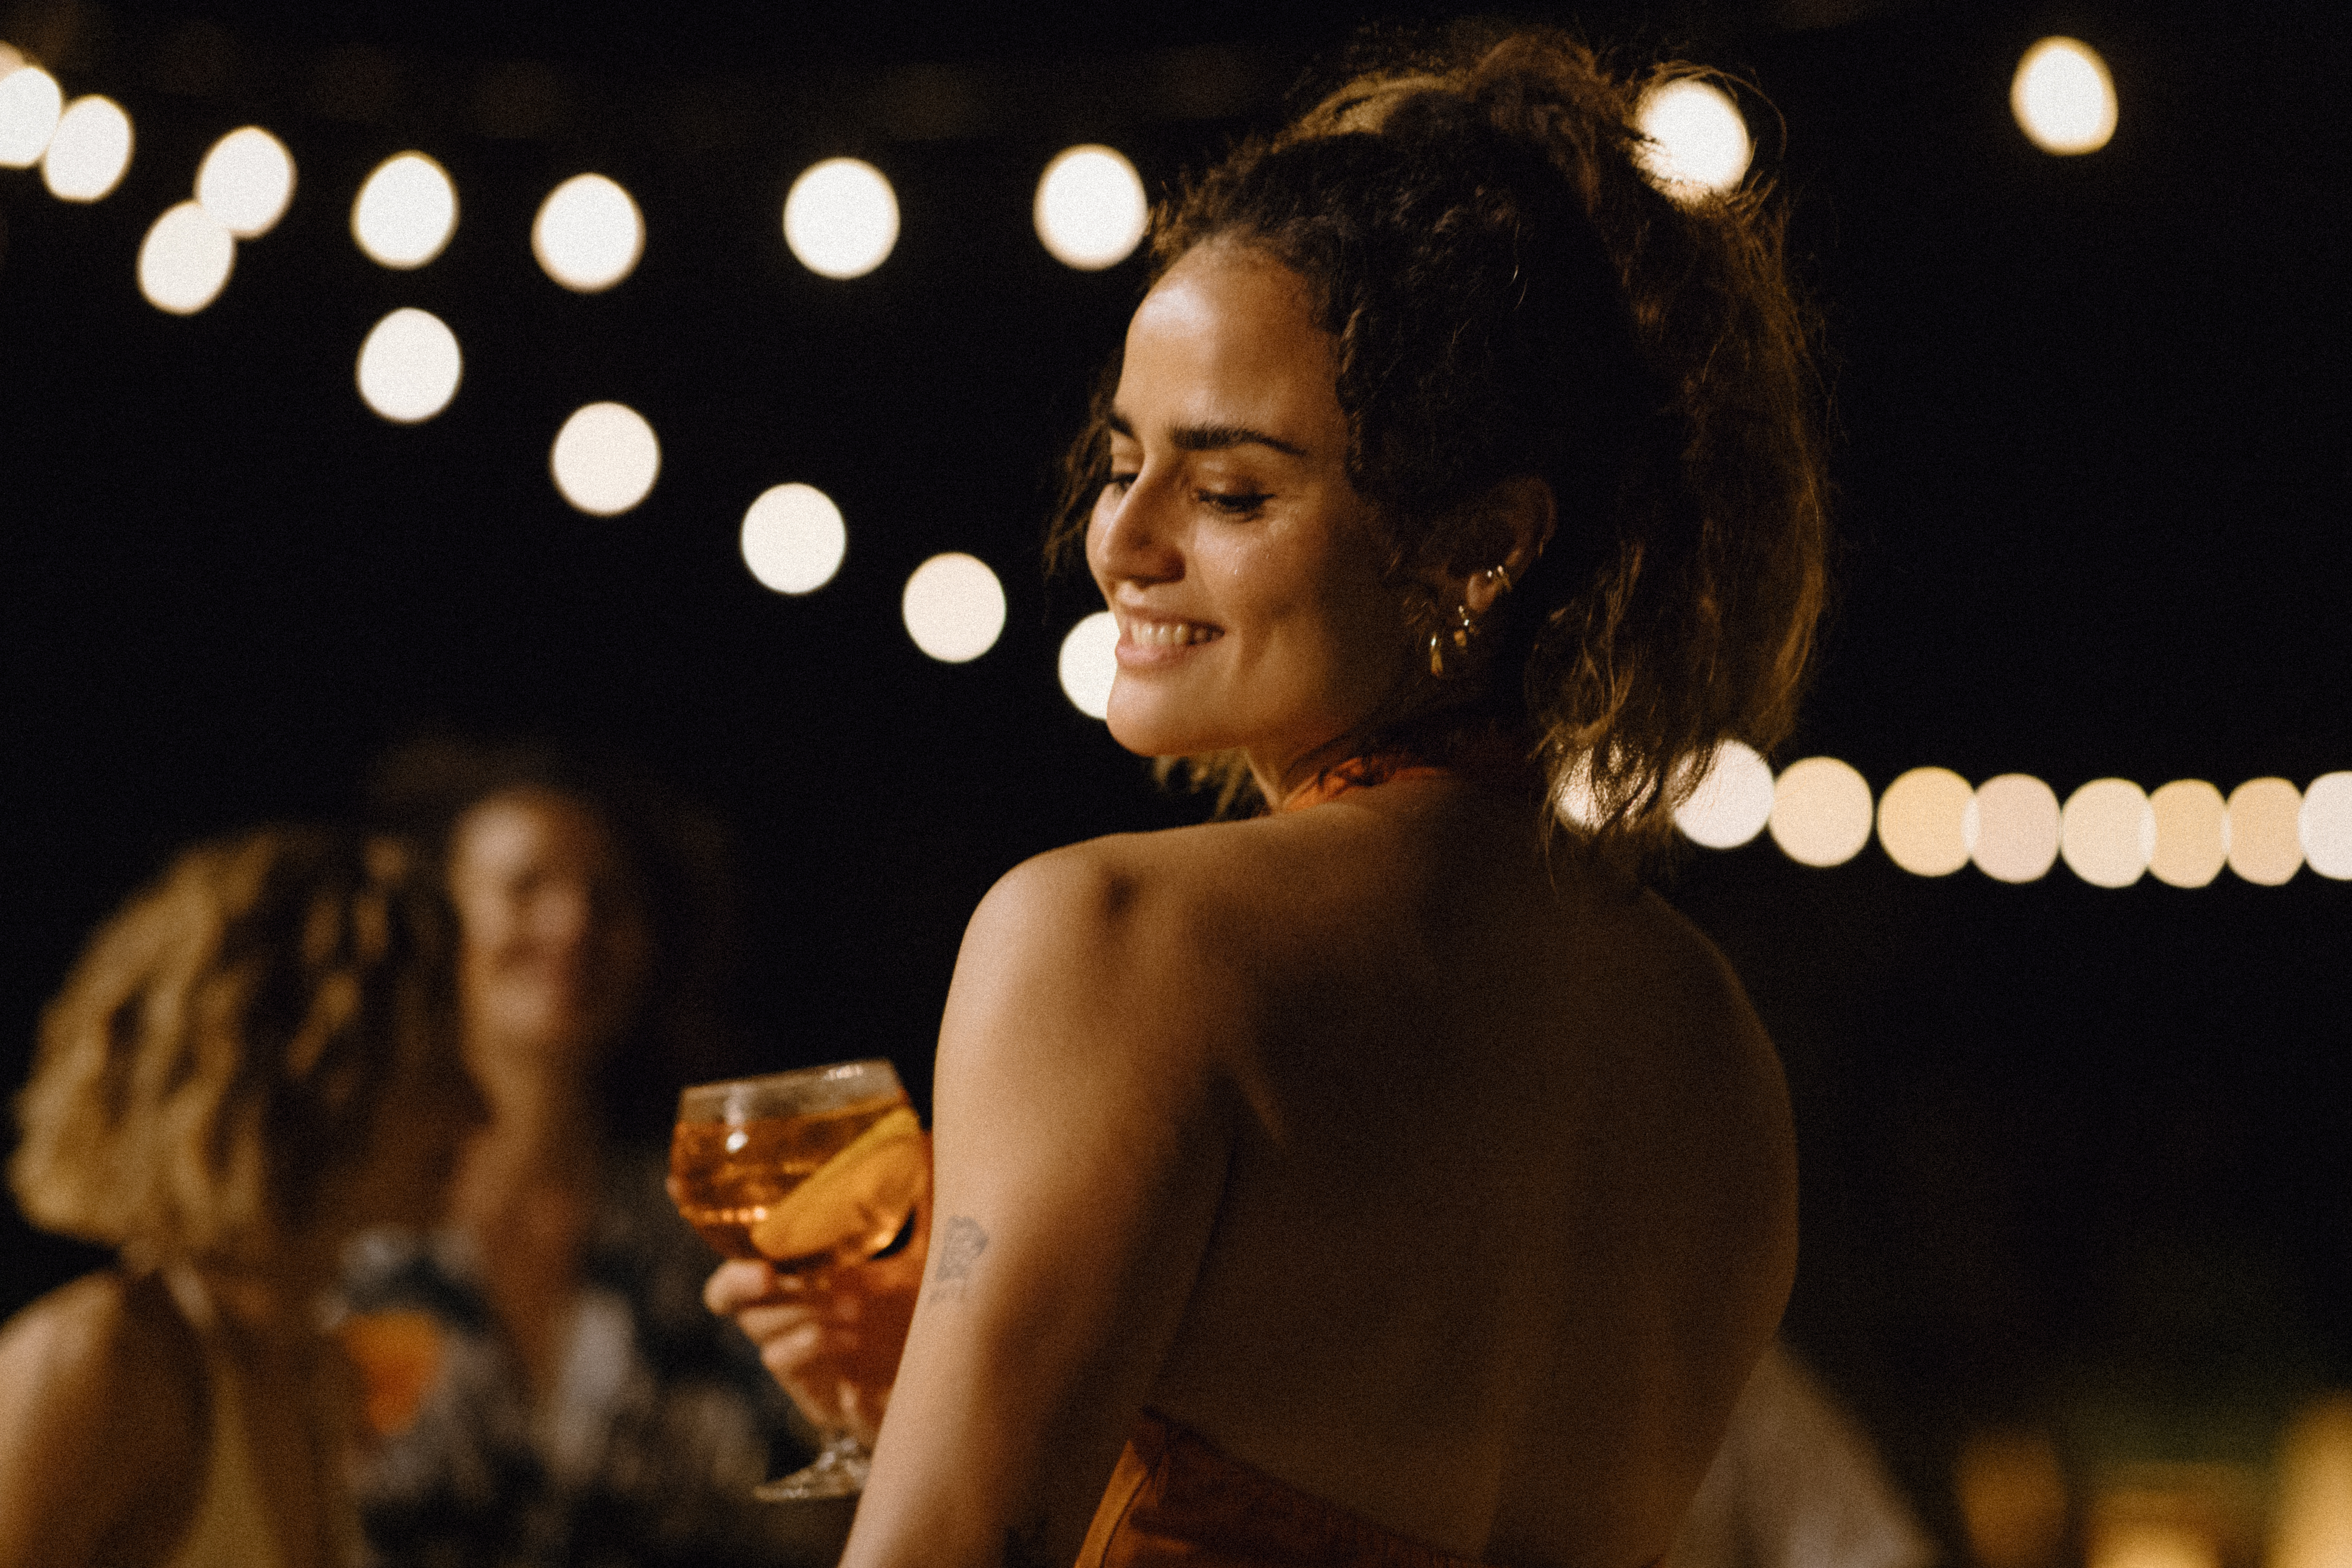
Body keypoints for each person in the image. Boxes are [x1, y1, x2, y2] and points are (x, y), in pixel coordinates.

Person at [712, 23, 1825, 1568]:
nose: (1123, 541)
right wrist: (926, 1390)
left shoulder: (1113, 939)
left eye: (1231, 489)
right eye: (1123, 462)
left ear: (1478, 542)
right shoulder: (1715, 1045)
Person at [337, 739, 829, 1568]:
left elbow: (818, 1523)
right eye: (527, 887)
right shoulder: (347, 1224)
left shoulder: (709, 1230)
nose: (574, 925)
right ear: (439, 915)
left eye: (610, 898)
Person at [0, 826, 484, 1568]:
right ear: (306, 1083)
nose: (482, 1111)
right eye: (437, 1068)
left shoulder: (311, 1370)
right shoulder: (106, 1363)